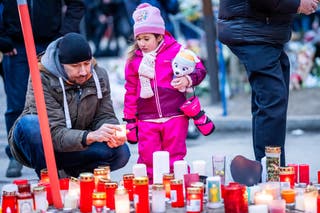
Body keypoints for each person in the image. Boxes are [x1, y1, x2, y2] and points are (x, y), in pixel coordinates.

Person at [8, 33, 131, 178]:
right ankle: (48, 178)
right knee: (31, 124)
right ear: (61, 65)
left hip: (76, 143)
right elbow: (53, 133)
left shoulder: (99, 75)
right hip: (40, 145)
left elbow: (105, 115)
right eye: (75, 66)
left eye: (87, 63)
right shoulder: (42, 78)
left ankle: (70, 176)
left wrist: (111, 132)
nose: (84, 71)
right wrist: (90, 136)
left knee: (121, 152)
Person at [217, 0, 319, 167]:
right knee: (273, 99)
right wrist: (297, 4)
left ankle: (269, 171)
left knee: (270, 101)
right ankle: (272, 174)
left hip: (261, 31)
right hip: (252, 31)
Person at [0, 0, 85, 177]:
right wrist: (2, 38)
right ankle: (17, 154)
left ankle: (62, 153)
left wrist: (64, 36)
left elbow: (76, 4)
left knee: (58, 99)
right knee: (17, 104)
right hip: (16, 46)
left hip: (50, 43)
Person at [123, 3, 206, 182]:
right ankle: (153, 195)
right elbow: (130, 91)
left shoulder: (178, 51)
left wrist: (187, 79)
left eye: (146, 38)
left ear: (159, 36)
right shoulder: (133, 61)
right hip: (146, 119)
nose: (142, 44)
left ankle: (179, 190)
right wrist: (130, 120)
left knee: (175, 160)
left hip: (175, 116)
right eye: (139, 39)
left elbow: (200, 69)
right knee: (148, 161)